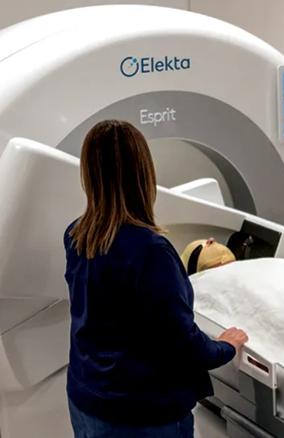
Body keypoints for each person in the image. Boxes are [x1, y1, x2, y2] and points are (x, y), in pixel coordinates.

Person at [64, 120, 248, 438]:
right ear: (144, 173)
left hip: (86, 397)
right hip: (141, 414)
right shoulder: (151, 251)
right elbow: (182, 341)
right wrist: (225, 348)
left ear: (89, 175)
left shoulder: (77, 235)